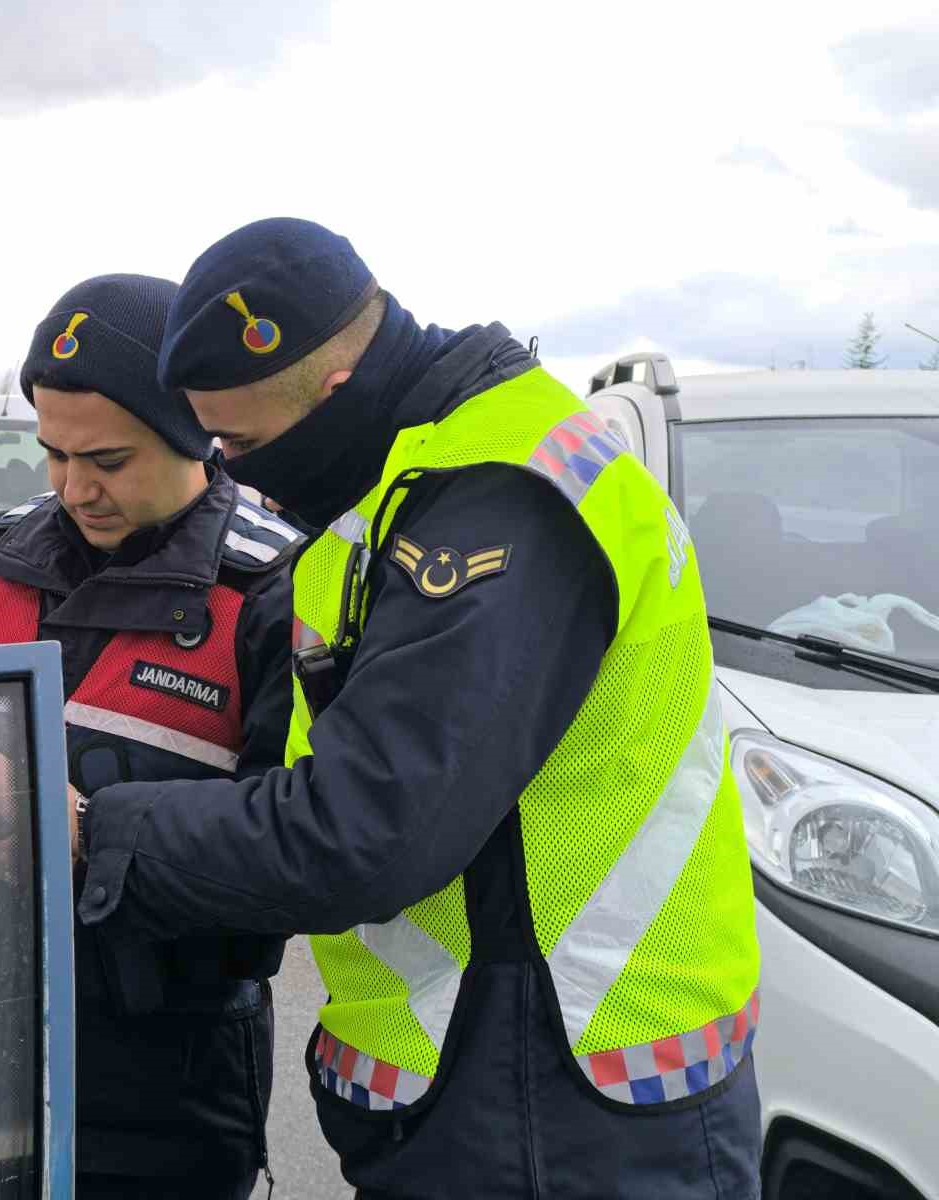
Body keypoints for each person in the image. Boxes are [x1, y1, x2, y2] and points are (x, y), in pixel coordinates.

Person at [69, 220, 764, 1199]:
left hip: (554, 1104)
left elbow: (365, 831)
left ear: (335, 389)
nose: (230, 469)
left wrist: (97, 833)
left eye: (246, 443)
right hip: (497, 1079)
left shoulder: (499, 503)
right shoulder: (410, 485)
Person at [0, 273, 303, 1199]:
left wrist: (76, 830)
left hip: (152, 1092)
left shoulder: (273, 597)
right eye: (51, 453)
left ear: (192, 431)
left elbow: (292, 861)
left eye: (109, 459)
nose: (73, 487)